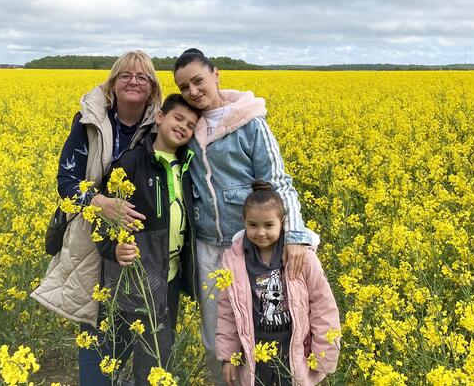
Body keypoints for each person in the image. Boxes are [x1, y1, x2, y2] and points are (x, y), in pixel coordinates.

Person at [172, 48, 319, 383]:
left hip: (253, 247)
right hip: (208, 248)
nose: (193, 91)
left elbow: (279, 181)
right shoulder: (186, 126)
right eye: (184, 87)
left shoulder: (250, 121)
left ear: (216, 74)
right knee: (217, 340)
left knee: (264, 335)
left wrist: (294, 236)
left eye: (198, 81)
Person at [30, 50, 162, 385]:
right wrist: (101, 202)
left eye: (142, 77)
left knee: (135, 319)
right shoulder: (88, 123)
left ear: (151, 88)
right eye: (125, 76)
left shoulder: (160, 126)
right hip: (91, 240)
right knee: (95, 320)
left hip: (141, 242)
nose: (133, 82)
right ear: (113, 84)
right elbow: (66, 182)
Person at [94, 94, 201, 385]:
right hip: (132, 279)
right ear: (160, 118)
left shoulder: (189, 166)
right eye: (178, 118)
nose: (183, 127)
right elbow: (102, 216)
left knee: (156, 357)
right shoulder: (130, 162)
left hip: (169, 279)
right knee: (114, 355)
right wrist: (112, 248)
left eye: (190, 125)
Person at [216, 180, 340, 385]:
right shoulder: (233, 260)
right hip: (254, 355)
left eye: (269, 225)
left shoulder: (303, 257)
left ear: (282, 221)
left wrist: (324, 356)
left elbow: (322, 305)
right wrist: (228, 356)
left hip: (295, 352)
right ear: (244, 221)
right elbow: (227, 312)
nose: (261, 232)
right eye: (253, 225)